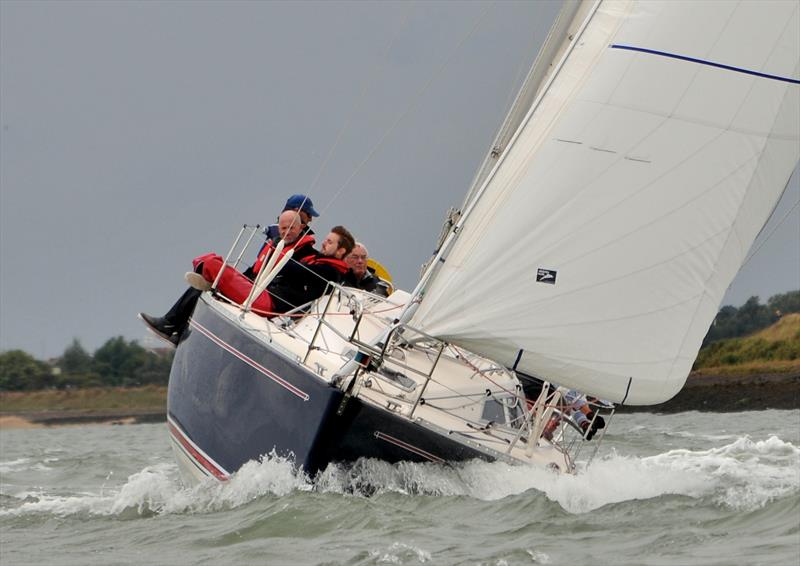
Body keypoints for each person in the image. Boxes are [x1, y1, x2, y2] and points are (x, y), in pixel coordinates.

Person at [139, 210, 315, 346]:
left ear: (301, 228)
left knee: (212, 265)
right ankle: (175, 327)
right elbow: (254, 272)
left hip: (268, 301)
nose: (287, 232)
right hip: (256, 291)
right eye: (283, 228)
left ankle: (171, 322)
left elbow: (306, 282)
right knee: (208, 284)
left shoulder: (306, 254)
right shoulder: (275, 245)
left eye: (292, 228)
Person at [267, 225, 355, 314]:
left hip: (286, 309)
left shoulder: (331, 272)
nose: (323, 243)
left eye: (329, 242)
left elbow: (299, 271)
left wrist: (280, 262)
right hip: (278, 298)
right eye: (325, 240)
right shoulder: (318, 261)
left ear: (341, 251)